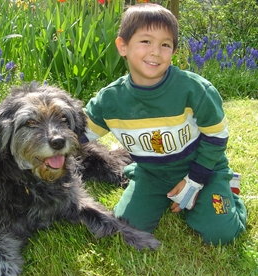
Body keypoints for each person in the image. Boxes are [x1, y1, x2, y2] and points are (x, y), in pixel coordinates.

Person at [81, 3, 247, 245]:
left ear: (173, 51)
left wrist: (195, 181)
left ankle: (226, 187)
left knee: (220, 234)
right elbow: (77, 135)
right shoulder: (109, 101)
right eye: (146, 41)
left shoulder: (195, 90)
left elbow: (217, 136)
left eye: (165, 44)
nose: (156, 51)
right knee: (126, 228)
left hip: (202, 169)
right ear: (123, 46)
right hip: (152, 174)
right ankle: (144, 183)